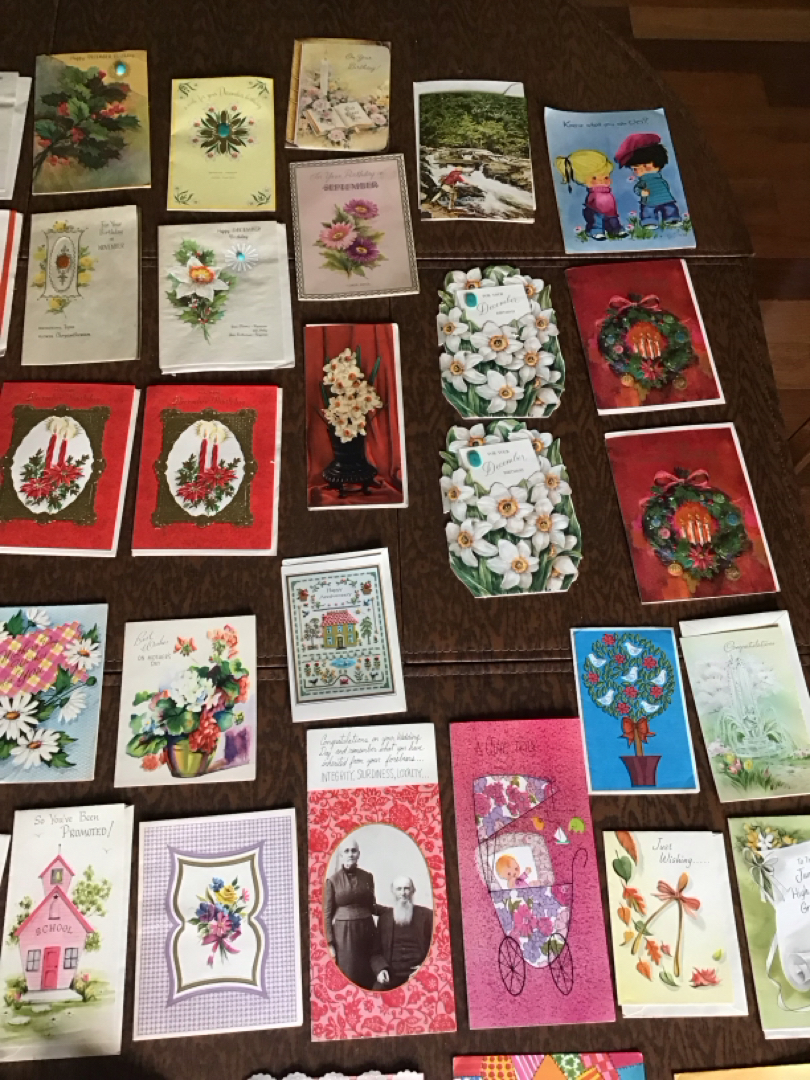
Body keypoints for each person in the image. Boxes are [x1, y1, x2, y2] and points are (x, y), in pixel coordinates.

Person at [324, 837, 378, 989]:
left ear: (358, 854)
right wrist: (330, 943)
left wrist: (390, 911)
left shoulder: (368, 877)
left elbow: (372, 905)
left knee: (367, 970)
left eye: (354, 851)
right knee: (350, 971)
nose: (350, 854)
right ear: (341, 855)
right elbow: (327, 914)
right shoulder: (332, 881)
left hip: (367, 929)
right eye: (346, 851)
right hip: (344, 934)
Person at [371, 876, 433, 990]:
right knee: (377, 991)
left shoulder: (427, 916)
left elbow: (438, 949)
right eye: (399, 889)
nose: (403, 893)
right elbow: (376, 953)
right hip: (392, 974)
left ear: (413, 891)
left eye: (406, 888)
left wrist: (424, 968)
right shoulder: (384, 918)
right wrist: (381, 969)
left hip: (418, 973)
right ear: (393, 892)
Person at [554, 149, 628, 241]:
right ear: (584, 180)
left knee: (613, 220)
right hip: (596, 211)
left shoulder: (608, 191)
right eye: (594, 178)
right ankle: (596, 232)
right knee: (597, 221)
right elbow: (591, 202)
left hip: (610, 211)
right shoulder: (594, 192)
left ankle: (616, 229)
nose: (602, 180)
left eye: (606, 177)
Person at [614, 132, 681, 229]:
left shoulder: (659, 177)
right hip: (649, 201)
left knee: (669, 208)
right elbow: (637, 188)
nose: (642, 170)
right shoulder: (643, 181)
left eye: (646, 165)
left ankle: (672, 218)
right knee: (648, 210)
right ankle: (649, 222)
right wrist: (642, 192)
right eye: (635, 168)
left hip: (665, 198)